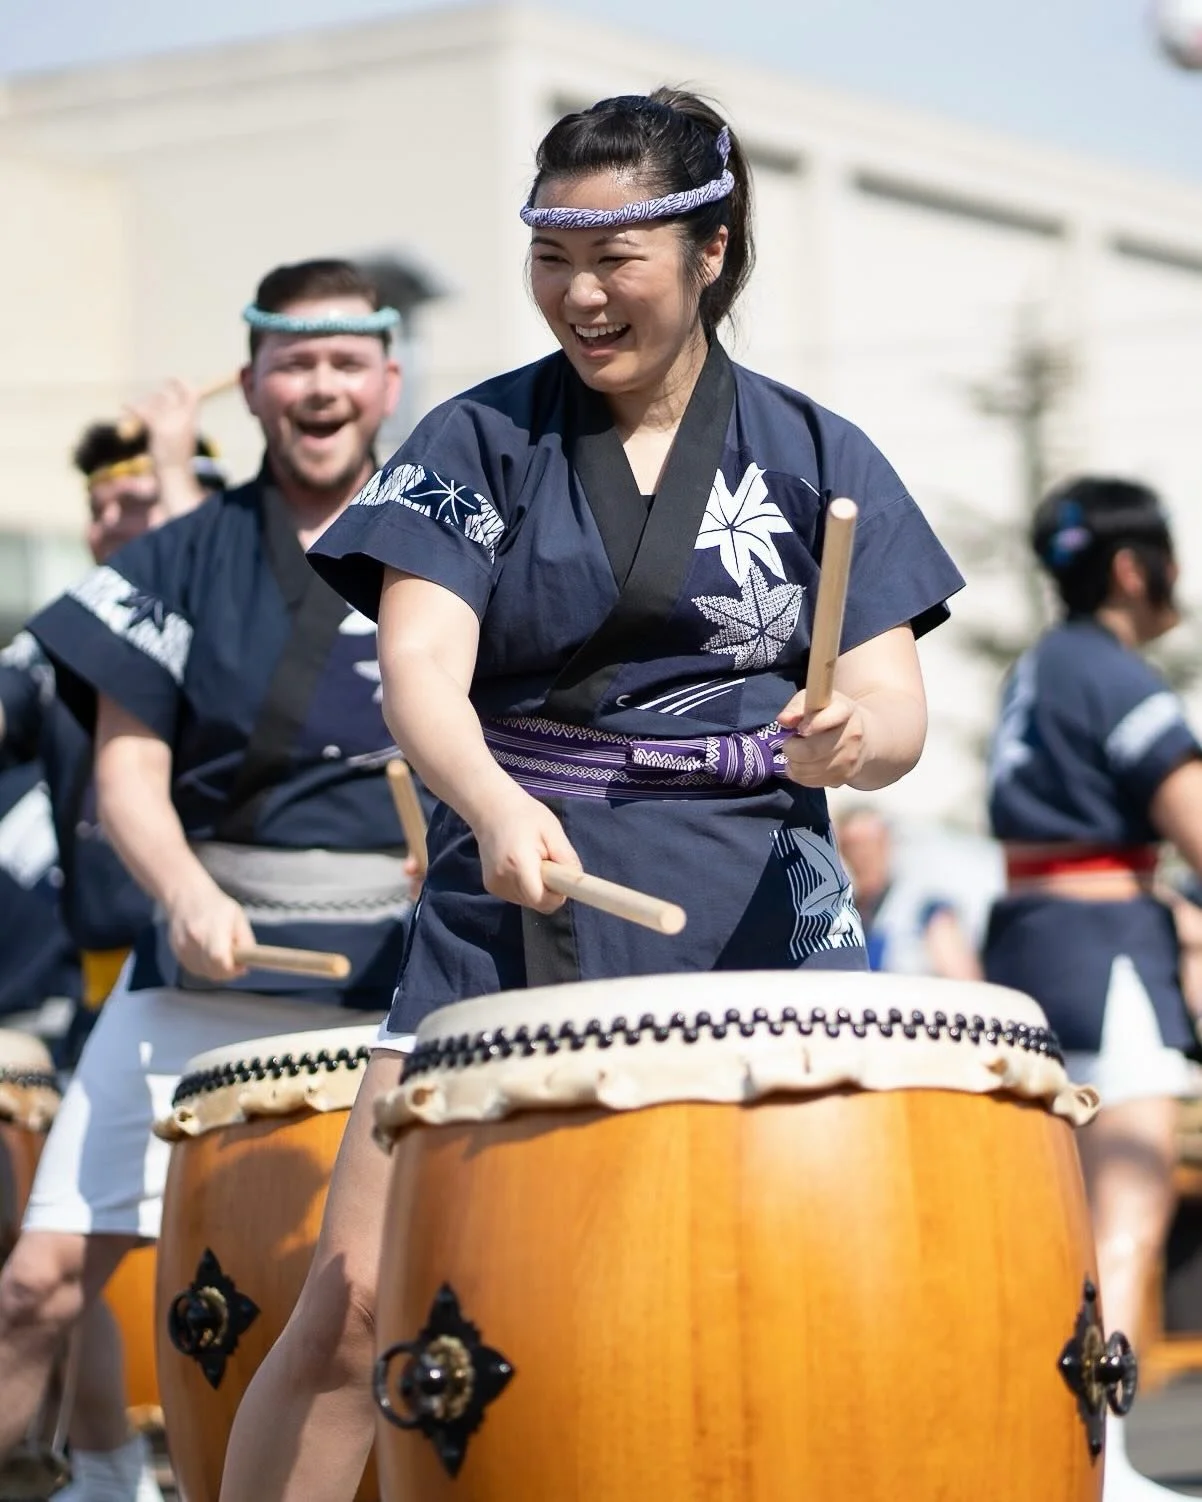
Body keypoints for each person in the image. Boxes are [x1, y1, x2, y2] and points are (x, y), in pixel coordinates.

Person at [220, 88, 964, 1502]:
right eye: (553, 252)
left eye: (618, 254)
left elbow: (897, 706)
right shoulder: (477, 439)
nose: (579, 291)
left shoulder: (817, 455)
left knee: (765, 1301)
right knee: (365, 1293)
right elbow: (420, 670)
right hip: (513, 883)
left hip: (755, 900)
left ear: (708, 252)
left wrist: (844, 741)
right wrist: (491, 807)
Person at [0, 258, 413, 1487]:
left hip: (405, 967)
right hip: (204, 941)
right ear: (252, 382)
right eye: (295, 361)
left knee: (398, 1299)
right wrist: (185, 893)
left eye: (346, 360)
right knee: (35, 1281)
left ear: (387, 378)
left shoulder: (453, 531)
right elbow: (127, 772)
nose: (321, 385)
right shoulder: (180, 553)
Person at [0, 390, 223, 1502]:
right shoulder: (59, 644)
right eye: (100, 505)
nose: (113, 522)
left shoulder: (242, 602)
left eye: (138, 498)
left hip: (251, 984)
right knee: (71, 1255)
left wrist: (181, 478)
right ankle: (98, 1469)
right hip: (115, 987)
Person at [984, 476, 1202, 1501]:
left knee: (1056, 1220)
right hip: (1103, 941)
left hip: (1033, 938)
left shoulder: (1040, 665)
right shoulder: (1113, 674)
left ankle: (1065, 1458)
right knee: (1124, 1208)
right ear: (1129, 564)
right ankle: (1100, 1465)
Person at [835, 804, 982, 978]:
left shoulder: (926, 909)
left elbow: (964, 982)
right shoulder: (845, 913)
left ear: (887, 844)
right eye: (851, 847)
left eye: (868, 845)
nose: (861, 857)